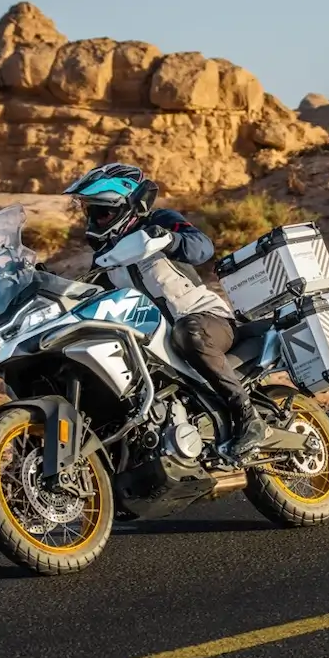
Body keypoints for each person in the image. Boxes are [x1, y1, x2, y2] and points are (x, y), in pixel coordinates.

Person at [64, 162, 270, 461]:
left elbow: (202, 248)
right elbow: (90, 293)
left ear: (126, 207)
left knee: (189, 332)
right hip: (155, 340)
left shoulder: (159, 221)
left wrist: (171, 239)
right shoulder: (106, 256)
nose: (94, 219)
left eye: (102, 211)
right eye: (90, 211)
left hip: (207, 320)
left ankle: (249, 418)